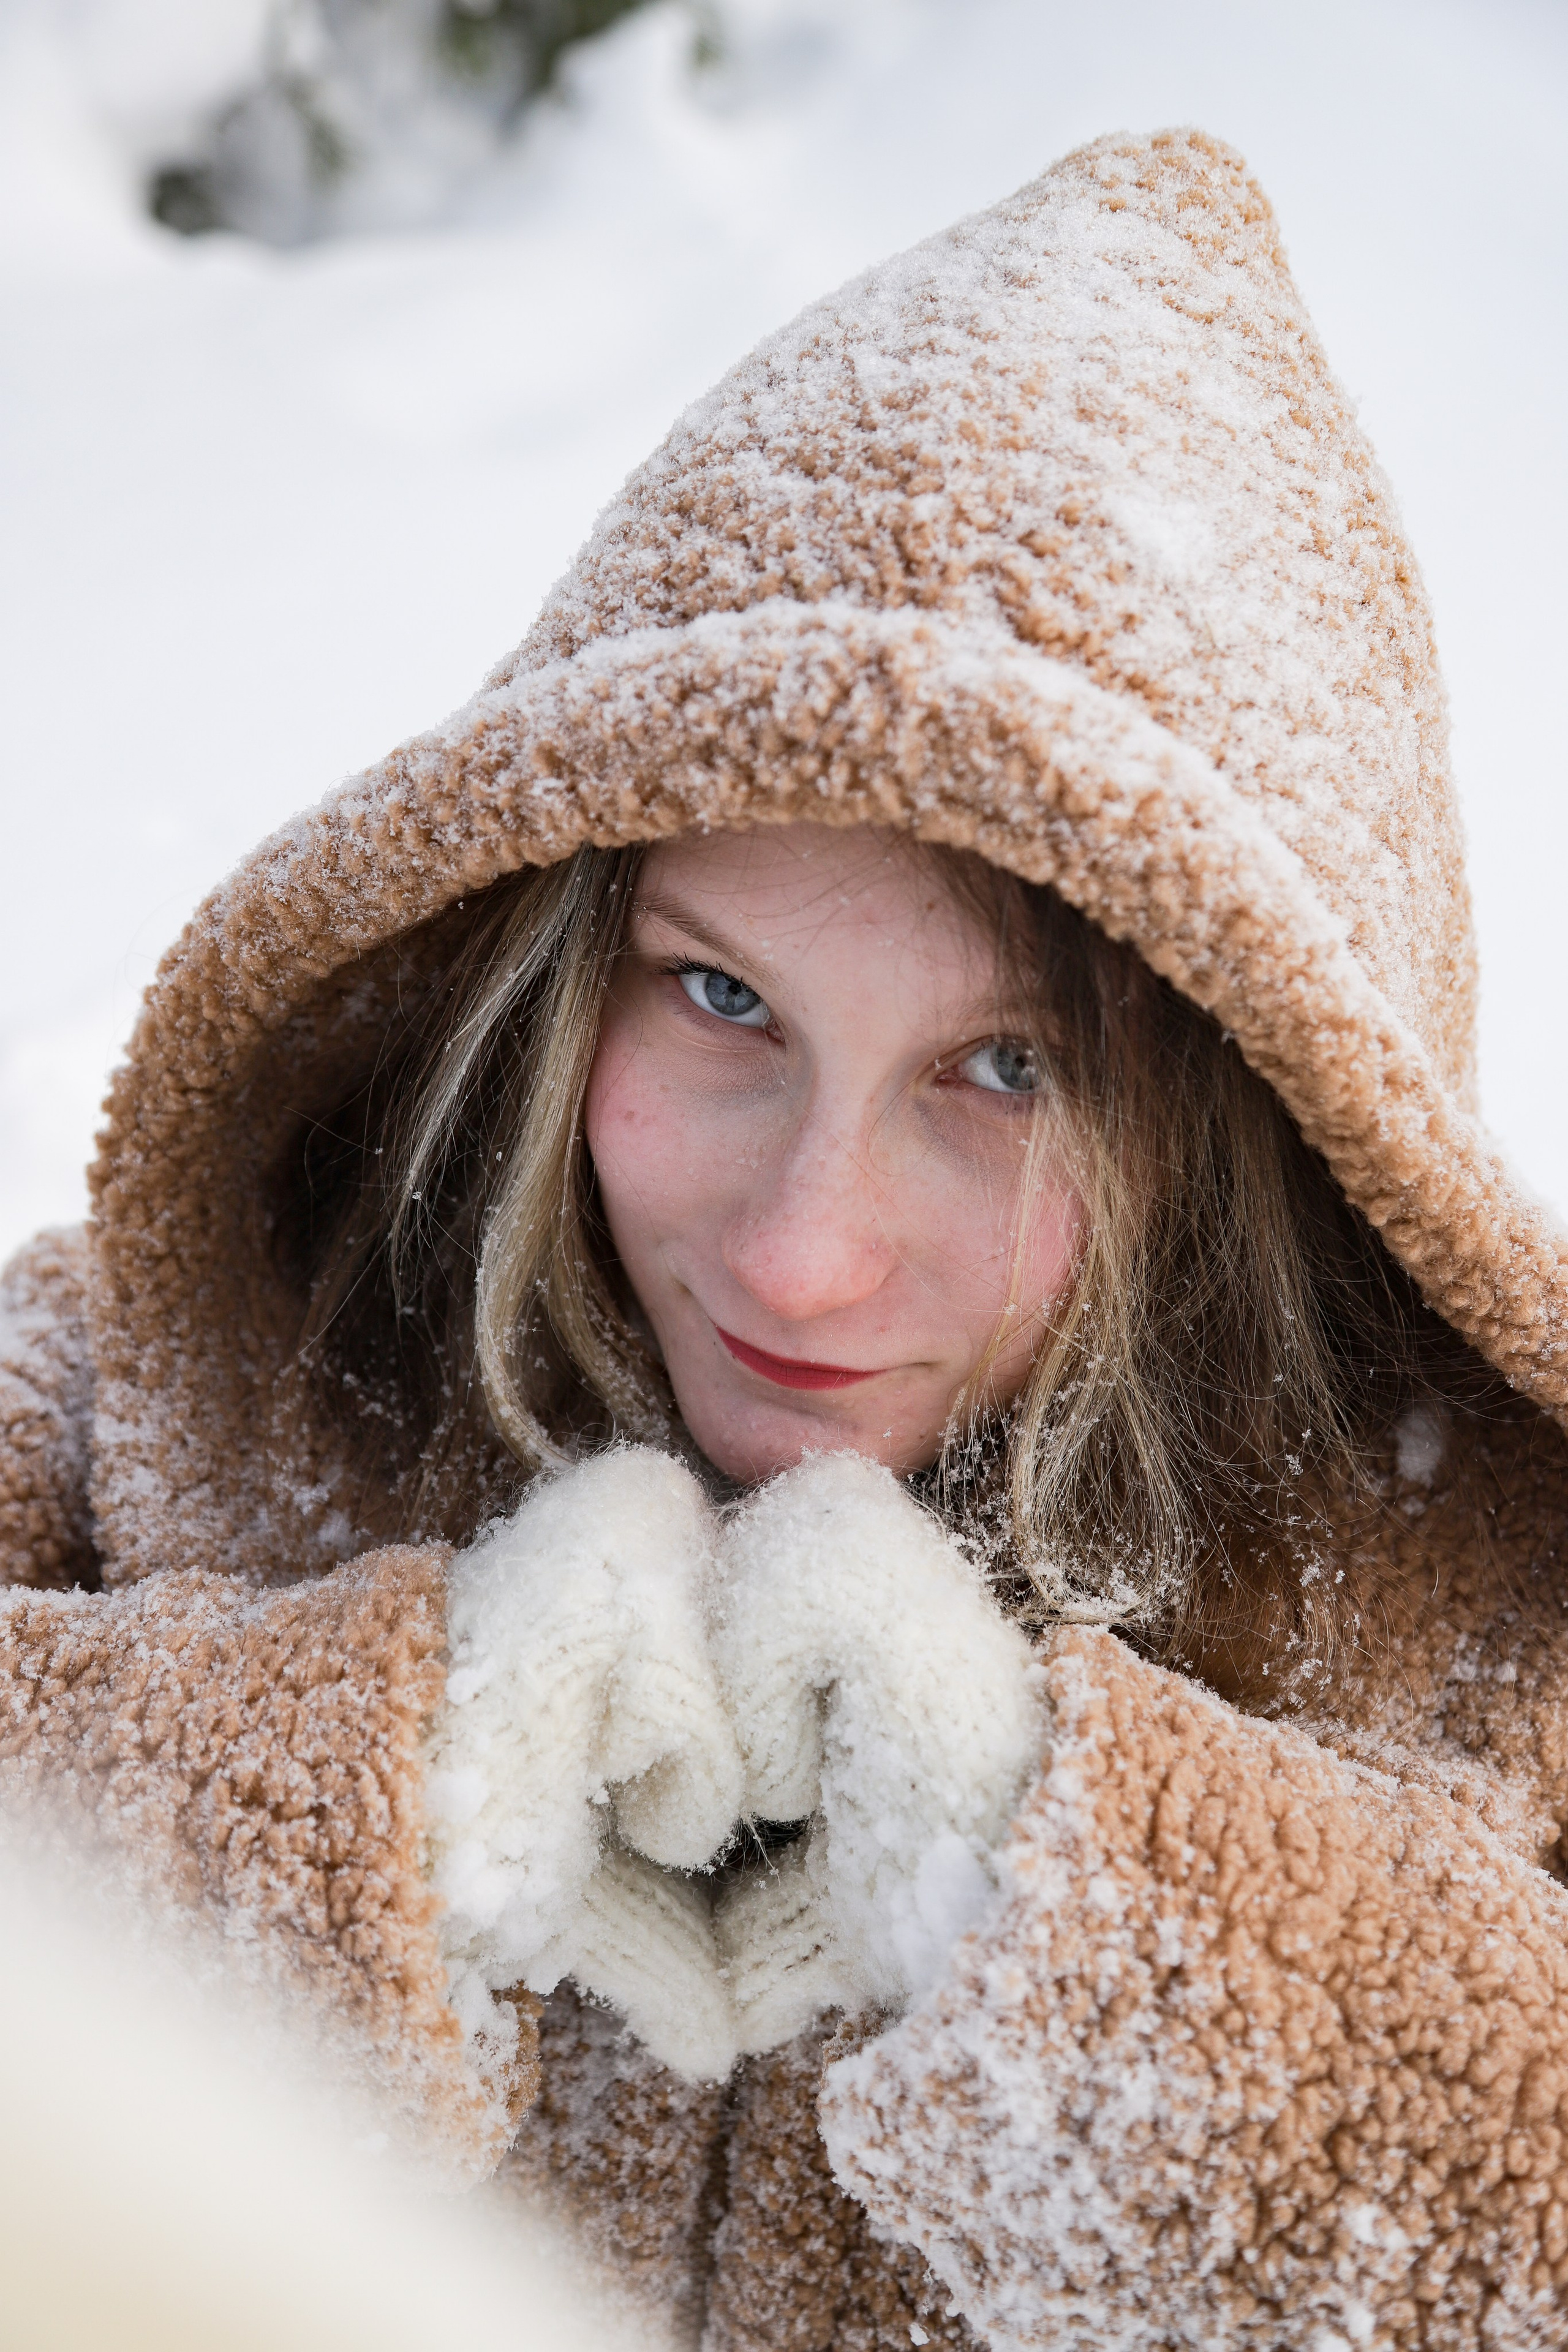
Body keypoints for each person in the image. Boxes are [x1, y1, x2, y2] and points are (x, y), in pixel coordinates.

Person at [3, 126, 1567, 2350]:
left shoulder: (1484, 1649)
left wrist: (1067, 1910)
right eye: (720, 996)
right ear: (553, 966)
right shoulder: (184, 1386)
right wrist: (374, 1802)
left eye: (1009, 1075)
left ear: (1261, 1122)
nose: (808, 1258)